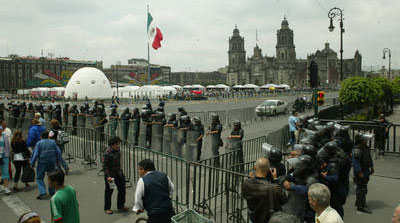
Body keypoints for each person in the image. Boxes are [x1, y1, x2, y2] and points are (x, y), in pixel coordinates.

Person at [242, 157, 288, 223]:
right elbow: (284, 199)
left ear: (255, 167)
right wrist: (275, 179)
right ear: (267, 170)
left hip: (253, 218)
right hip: (269, 220)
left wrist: (250, 178)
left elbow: (245, 195)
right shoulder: (274, 188)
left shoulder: (246, 183)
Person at [133, 159, 174, 223]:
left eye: (140, 169)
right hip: (168, 209)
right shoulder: (164, 175)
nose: (139, 171)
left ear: (147, 170)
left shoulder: (142, 180)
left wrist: (139, 208)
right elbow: (171, 188)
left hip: (155, 212)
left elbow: (138, 198)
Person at [30, 131, 63, 199]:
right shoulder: (53, 142)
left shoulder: (39, 143)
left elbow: (35, 155)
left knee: (39, 178)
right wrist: (58, 161)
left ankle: (43, 192)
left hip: (42, 162)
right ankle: (52, 192)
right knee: (52, 177)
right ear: (48, 136)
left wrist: (32, 164)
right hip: (51, 162)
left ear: (41, 136)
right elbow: (58, 152)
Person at [103, 136, 129, 214]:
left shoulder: (118, 151)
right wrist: (108, 177)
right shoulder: (107, 153)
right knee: (109, 191)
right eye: (116, 144)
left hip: (118, 174)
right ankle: (107, 208)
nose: (118, 146)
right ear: (112, 145)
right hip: (111, 176)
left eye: (119, 144)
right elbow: (105, 166)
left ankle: (121, 205)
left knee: (122, 189)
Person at [352, 133, 374, 214]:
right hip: (361, 171)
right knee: (362, 189)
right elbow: (356, 162)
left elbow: (369, 158)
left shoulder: (364, 148)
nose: (366, 141)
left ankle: (360, 202)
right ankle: (361, 206)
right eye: (365, 140)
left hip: (366, 170)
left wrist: (372, 167)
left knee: (363, 187)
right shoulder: (357, 149)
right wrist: (360, 172)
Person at [0, 125, 12, 194]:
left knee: (5, 172)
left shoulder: (5, 136)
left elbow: (8, 147)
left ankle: (6, 188)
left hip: (4, 156)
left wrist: (8, 156)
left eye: (1, 130)